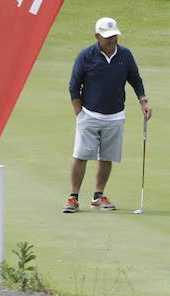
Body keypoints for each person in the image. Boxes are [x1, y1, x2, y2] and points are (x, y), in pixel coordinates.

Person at [64, 16, 151, 213]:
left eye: (114, 36)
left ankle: (98, 196)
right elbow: (73, 87)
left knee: (107, 157)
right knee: (81, 156)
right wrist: (80, 115)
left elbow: (135, 80)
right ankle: (73, 197)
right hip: (89, 115)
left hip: (115, 116)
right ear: (97, 36)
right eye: (107, 37)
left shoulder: (125, 55)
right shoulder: (86, 56)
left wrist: (143, 102)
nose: (112, 40)